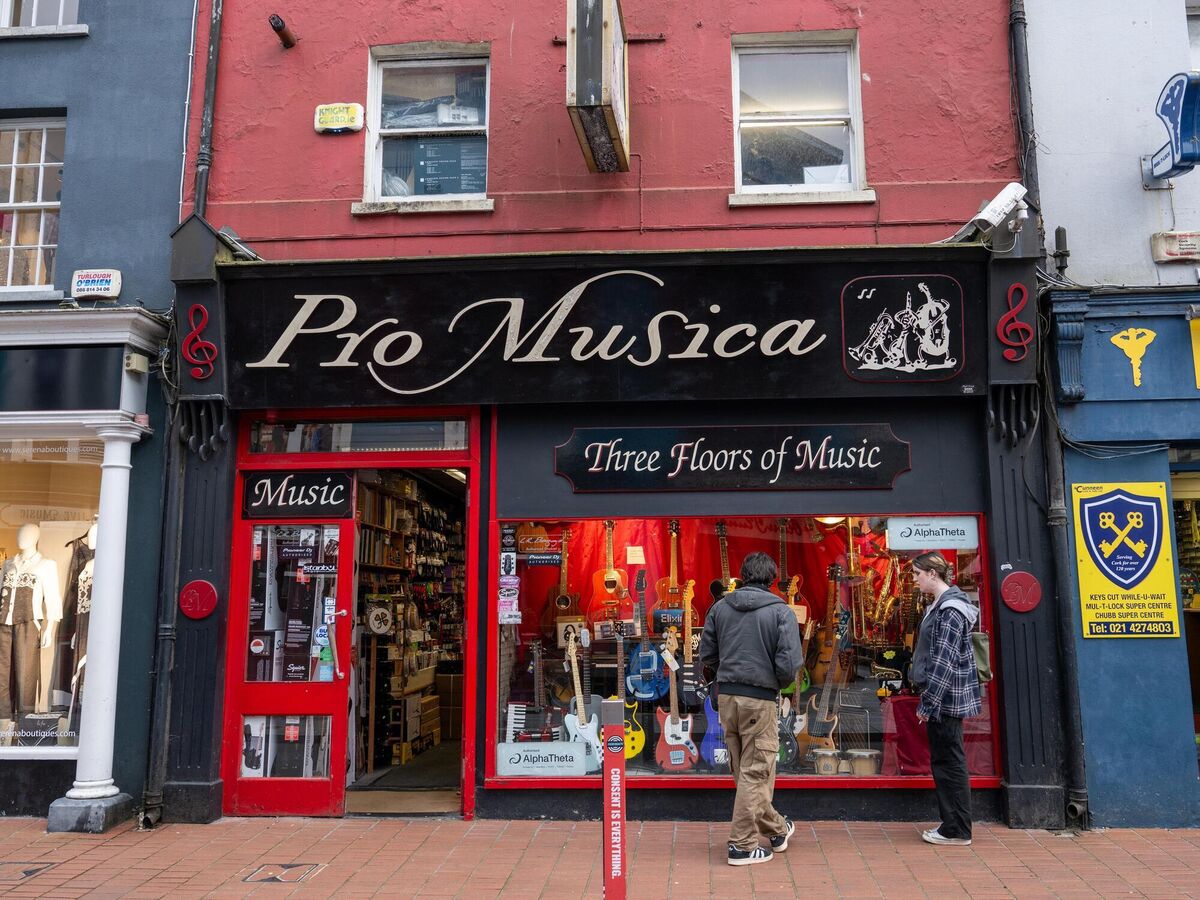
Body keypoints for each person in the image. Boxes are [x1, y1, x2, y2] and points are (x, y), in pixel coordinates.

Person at [699, 551, 802, 866]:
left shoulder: (720, 608)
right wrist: (776, 683)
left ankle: (776, 829)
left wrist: (720, 678)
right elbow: (789, 664)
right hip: (760, 696)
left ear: (742, 575)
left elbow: (707, 654)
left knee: (744, 769)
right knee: (756, 771)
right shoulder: (781, 612)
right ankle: (741, 847)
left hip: (727, 696)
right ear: (772, 579)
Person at [909, 551, 982, 847]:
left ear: (932, 574)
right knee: (946, 759)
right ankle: (953, 823)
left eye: (917, 574)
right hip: (944, 698)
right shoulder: (940, 606)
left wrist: (928, 704)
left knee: (949, 761)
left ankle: (957, 829)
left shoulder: (950, 610)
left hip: (945, 700)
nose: (914, 580)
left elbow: (944, 662)